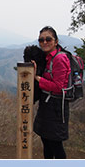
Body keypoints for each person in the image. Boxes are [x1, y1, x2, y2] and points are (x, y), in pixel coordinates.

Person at [24, 27, 71, 158]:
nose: (44, 42)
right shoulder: (48, 58)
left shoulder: (59, 59)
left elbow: (59, 87)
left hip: (56, 107)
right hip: (47, 104)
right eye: (41, 40)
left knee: (55, 144)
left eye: (48, 39)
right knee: (47, 141)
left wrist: (37, 78)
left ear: (56, 42)